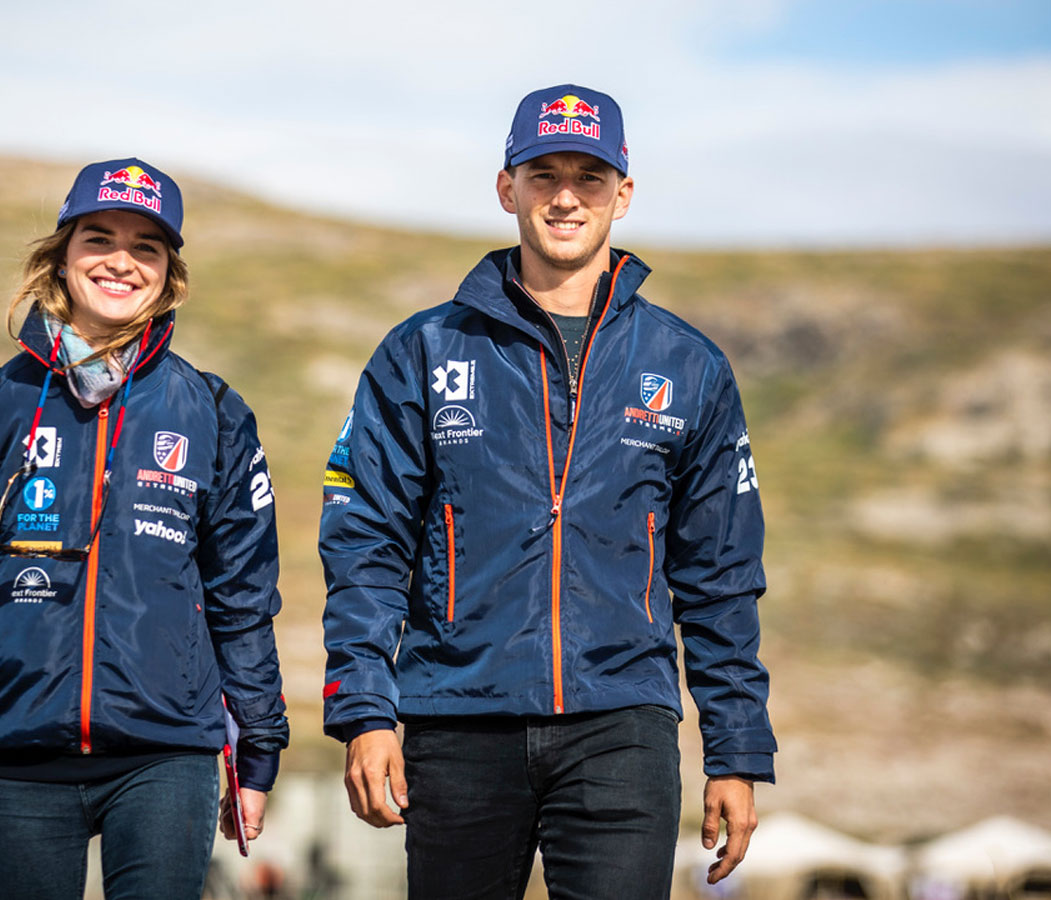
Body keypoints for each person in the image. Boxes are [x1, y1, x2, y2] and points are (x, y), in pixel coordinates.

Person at [319, 85, 775, 898]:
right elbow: (365, 542)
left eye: (590, 177)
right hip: (456, 715)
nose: (566, 196)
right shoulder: (420, 351)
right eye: (544, 174)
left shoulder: (688, 364)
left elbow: (721, 577)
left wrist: (736, 751)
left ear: (622, 195)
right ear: (508, 189)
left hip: (622, 726)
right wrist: (363, 710)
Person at [0, 158, 288, 900]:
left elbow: (243, 597)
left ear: (170, 274)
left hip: (168, 756)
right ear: (62, 255)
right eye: (99, 237)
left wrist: (257, 751)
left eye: (147, 246)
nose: (121, 260)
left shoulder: (215, 413)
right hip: (18, 753)